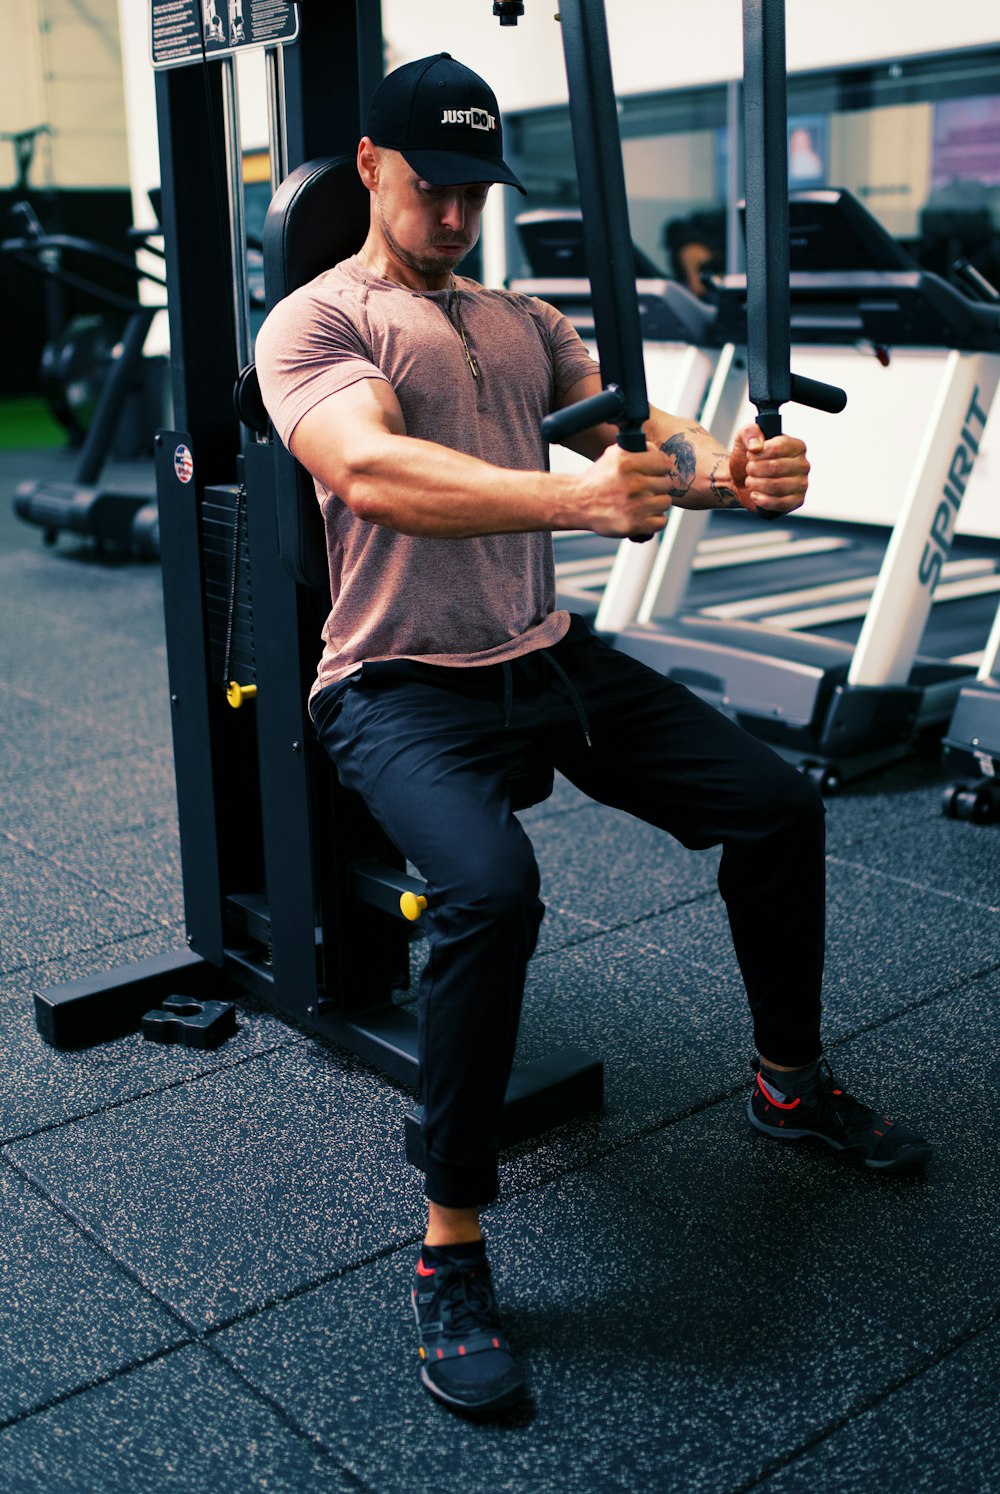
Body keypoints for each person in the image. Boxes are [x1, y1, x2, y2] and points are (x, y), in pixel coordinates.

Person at [255, 52, 932, 1420]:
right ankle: (450, 1246)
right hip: (397, 680)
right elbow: (370, 469)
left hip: (545, 656)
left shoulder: (520, 316)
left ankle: (787, 1085)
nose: (457, 214)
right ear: (376, 166)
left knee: (778, 804)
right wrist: (575, 507)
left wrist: (729, 475)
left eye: (476, 191)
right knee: (491, 893)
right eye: (433, 186)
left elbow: (639, 433)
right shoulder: (316, 324)